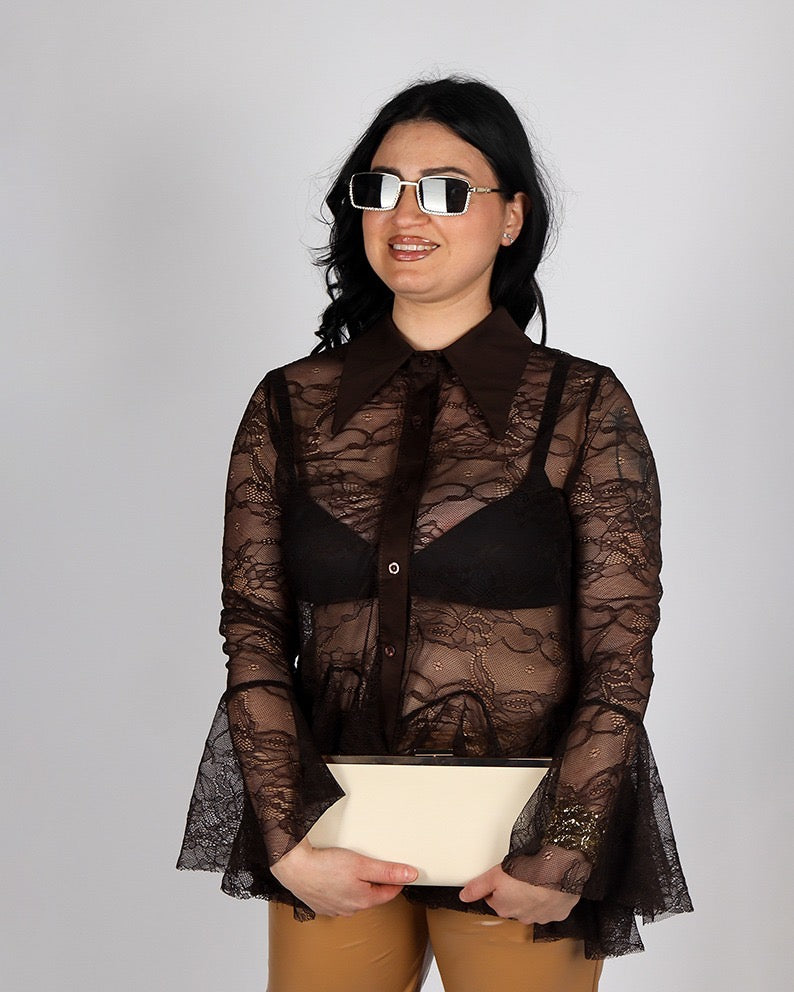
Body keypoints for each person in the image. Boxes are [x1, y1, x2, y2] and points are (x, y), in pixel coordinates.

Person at [176, 76, 693, 991]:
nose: (407, 214)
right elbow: (252, 630)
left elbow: (620, 652)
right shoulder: (287, 406)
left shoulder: (582, 405)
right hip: (334, 835)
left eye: (448, 189)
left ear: (510, 217)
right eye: (382, 187)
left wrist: (565, 846)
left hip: (523, 844)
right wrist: (287, 838)